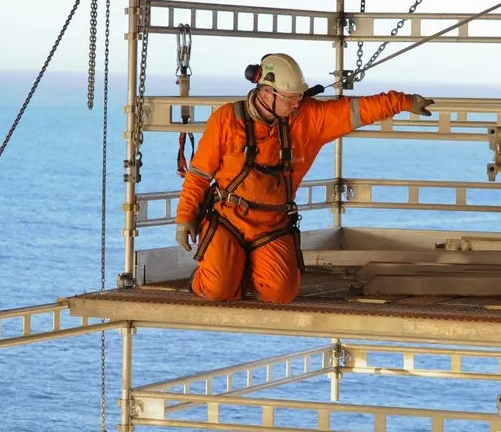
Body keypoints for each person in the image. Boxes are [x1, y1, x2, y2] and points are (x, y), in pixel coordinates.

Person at [175, 53, 435, 303]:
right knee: (217, 289)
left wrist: (405, 101)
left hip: (272, 224)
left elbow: (357, 110)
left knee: (280, 294)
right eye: (290, 98)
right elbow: (199, 174)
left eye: (299, 96)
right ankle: (206, 279)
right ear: (267, 94)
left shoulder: (308, 119)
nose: (297, 103)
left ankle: (239, 271)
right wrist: (185, 218)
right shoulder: (227, 119)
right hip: (228, 218)